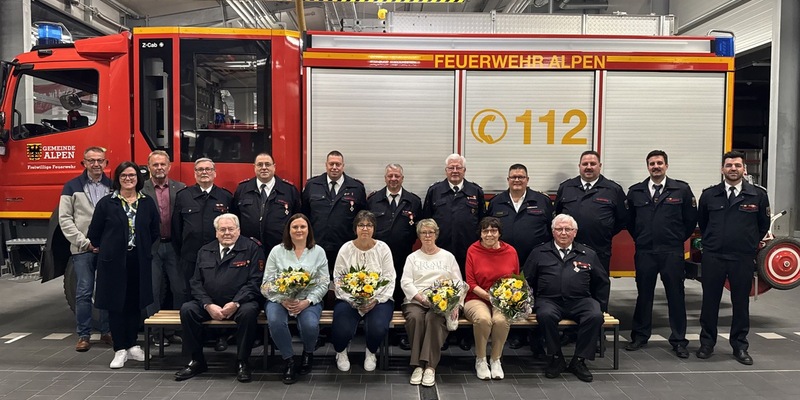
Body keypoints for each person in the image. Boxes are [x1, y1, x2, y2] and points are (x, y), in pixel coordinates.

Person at [696, 150, 770, 365]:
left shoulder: (758, 195)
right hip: (714, 257)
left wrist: (746, 243)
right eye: (729, 165)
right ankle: (707, 343)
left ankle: (739, 346)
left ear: (743, 169)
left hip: (742, 257)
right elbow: (703, 222)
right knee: (709, 302)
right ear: (722, 169)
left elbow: (762, 226)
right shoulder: (709, 195)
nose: (733, 169)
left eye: (737, 165)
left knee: (740, 303)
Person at [175, 214, 266, 382]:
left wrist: (236, 302)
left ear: (238, 230)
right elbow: (195, 282)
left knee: (249, 312)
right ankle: (196, 360)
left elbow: (255, 281)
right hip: (210, 304)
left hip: (241, 303)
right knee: (188, 310)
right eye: (222, 229)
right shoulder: (205, 250)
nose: (227, 233)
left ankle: (243, 361)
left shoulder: (252, 248)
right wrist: (207, 305)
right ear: (216, 232)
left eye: (231, 229)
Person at [87, 161, 160, 369]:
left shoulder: (146, 202)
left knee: (135, 302)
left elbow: (154, 230)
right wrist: (110, 248)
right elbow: (94, 233)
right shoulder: (106, 203)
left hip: (138, 259)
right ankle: (119, 348)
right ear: (118, 179)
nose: (128, 179)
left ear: (138, 178)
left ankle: (132, 345)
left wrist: (144, 249)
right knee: (115, 304)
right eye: (124, 176)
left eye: (132, 176)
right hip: (113, 262)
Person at [625, 150, 697, 358]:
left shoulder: (681, 190)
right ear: (647, 166)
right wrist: (641, 237)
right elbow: (630, 221)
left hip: (671, 252)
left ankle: (679, 341)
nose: (655, 166)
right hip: (645, 251)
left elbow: (690, 220)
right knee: (644, 295)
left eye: (659, 163)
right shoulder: (636, 191)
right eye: (651, 163)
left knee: (676, 296)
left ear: (666, 165)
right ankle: (639, 336)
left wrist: (675, 239)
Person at [523, 214, 610, 383]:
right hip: (549, 300)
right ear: (552, 231)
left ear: (575, 232)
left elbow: (602, 282)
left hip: (580, 300)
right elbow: (526, 280)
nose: (563, 233)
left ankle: (579, 361)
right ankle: (556, 358)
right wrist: (529, 304)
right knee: (545, 315)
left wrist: (600, 305)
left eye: (568, 229)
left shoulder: (588, 254)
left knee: (595, 315)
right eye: (559, 229)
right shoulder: (539, 252)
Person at [555, 150, 624, 344]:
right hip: (569, 251)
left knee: (598, 290)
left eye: (593, 164)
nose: (588, 167)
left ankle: (595, 335)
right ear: (579, 166)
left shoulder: (613, 189)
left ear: (600, 167)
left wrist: (603, 232)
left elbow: (621, 220)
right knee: (570, 289)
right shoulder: (567, 187)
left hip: (598, 250)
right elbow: (559, 216)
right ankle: (570, 332)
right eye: (585, 163)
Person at [422, 153, 485, 350]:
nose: (455, 171)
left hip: (468, 254)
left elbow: (482, 221)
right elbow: (426, 221)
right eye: (451, 167)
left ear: (464, 170)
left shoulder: (475, 191)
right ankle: (444, 333)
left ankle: (465, 335)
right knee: (441, 291)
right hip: (440, 255)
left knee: (465, 292)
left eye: (459, 167)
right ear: (446, 170)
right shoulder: (435, 191)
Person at [487, 163, 553, 350]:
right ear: (507, 180)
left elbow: (551, 229)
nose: (517, 180)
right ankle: (515, 334)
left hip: (535, 259)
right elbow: (488, 230)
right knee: (509, 296)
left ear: (527, 180)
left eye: (521, 177)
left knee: (536, 296)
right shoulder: (497, 202)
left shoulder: (541, 201)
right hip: (504, 260)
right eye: (513, 177)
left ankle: (536, 336)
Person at [172, 158, 233, 351]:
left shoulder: (225, 197)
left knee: (220, 294)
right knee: (192, 297)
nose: (204, 172)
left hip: (219, 259)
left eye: (208, 169)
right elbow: (176, 229)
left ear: (215, 173)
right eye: (200, 170)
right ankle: (196, 337)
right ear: (194, 173)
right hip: (191, 258)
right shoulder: (183, 196)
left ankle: (221, 337)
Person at [262, 213, 330, 384]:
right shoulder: (277, 251)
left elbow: (323, 283)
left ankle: (308, 353)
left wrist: (307, 302)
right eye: (295, 227)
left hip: (308, 300)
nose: (299, 230)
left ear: (308, 230)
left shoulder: (318, 251)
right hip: (280, 299)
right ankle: (289, 360)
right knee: (276, 321)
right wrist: (282, 299)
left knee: (309, 325)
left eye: (302, 227)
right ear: (289, 230)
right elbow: (266, 284)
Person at [58, 146, 112, 352]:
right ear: (84, 163)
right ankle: (84, 335)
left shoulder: (113, 187)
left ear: (106, 163)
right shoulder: (71, 187)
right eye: (92, 161)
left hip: (107, 250)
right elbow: (65, 219)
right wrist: (84, 242)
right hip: (82, 249)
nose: (96, 164)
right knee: (83, 292)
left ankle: (107, 332)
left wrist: (108, 243)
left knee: (106, 291)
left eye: (100, 160)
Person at [330, 210, 396, 372]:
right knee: (342, 326)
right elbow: (338, 279)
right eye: (361, 225)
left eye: (369, 225)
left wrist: (374, 300)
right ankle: (341, 351)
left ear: (374, 228)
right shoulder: (346, 249)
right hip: (349, 299)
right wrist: (353, 300)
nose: (365, 229)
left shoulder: (383, 248)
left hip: (378, 299)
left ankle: (371, 352)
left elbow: (389, 277)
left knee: (378, 326)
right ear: (355, 228)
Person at [400, 218, 463, 387]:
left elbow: (458, 283)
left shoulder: (447, 256)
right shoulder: (412, 258)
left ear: (436, 234)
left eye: (431, 232)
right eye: (423, 232)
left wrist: (455, 303)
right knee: (415, 318)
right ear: (419, 235)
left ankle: (429, 367)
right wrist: (421, 298)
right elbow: (405, 282)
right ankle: (417, 366)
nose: (427, 236)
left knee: (433, 319)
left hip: (441, 302)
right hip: (416, 299)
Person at [367, 163, 422, 350]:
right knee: (379, 291)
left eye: (397, 176)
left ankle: (400, 333)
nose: (393, 179)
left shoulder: (413, 201)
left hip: (403, 256)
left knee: (401, 293)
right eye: (390, 176)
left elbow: (417, 230)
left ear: (402, 178)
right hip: (377, 258)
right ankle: (382, 331)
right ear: (385, 178)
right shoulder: (373, 200)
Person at [464, 217, 518, 380]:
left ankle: (495, 360)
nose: (489, 234)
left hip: (503, 298)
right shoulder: (473, 250)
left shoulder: (510, 251)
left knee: (501, 320)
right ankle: (480, 360)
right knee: (483, 319)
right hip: (476, 297)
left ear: (499, 233)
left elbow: (515, 279)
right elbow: (471, 283)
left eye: (493, 231)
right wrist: (489, 296)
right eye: (485, 231)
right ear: (480, 234)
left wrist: (503, 297)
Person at [141, 150, 186, 347]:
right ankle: (156, 333)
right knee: (153, 291)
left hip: (174, 246)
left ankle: (172, 330)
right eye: (155, 165)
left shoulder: (181, 189)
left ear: (169, 167)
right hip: (152, 248)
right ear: (149, 167)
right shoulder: (140, 190)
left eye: (162, 164)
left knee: (180, 289)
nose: (159, 168)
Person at [301, 150, 367, 275]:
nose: (334, 167)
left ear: (343, 166)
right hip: (316, 246)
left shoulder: (356, 187)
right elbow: (304, 215)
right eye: (331, 164)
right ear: (326, 165)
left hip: (346, 247)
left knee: (347, 283)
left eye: (338, 164)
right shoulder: (312, 185)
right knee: (317, 284)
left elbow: (362, 218)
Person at [232, 152, 301, 254]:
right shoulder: (242, 189)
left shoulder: (289, 190)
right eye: (260, 165)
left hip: (281, 249)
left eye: (267, 164)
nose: (264, 168)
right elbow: (235, 217)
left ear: (274, 167)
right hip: (248, 249)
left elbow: (297, 218)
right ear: (254, 167)